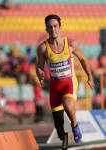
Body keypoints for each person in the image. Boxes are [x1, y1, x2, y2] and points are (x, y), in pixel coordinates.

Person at [36, 14, 95, 143]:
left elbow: (83, 59)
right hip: (54, 87)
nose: (53, 29)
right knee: (59, 129)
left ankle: (75, 126)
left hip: (69, 83)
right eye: (50, 27)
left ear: (60, 27)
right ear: (46, 30)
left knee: (68, 106)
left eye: (55, 26)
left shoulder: (71, 44)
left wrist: (89, 77)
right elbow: (39, 67)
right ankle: (64, 138)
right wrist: (39, 74)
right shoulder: (42, 48)